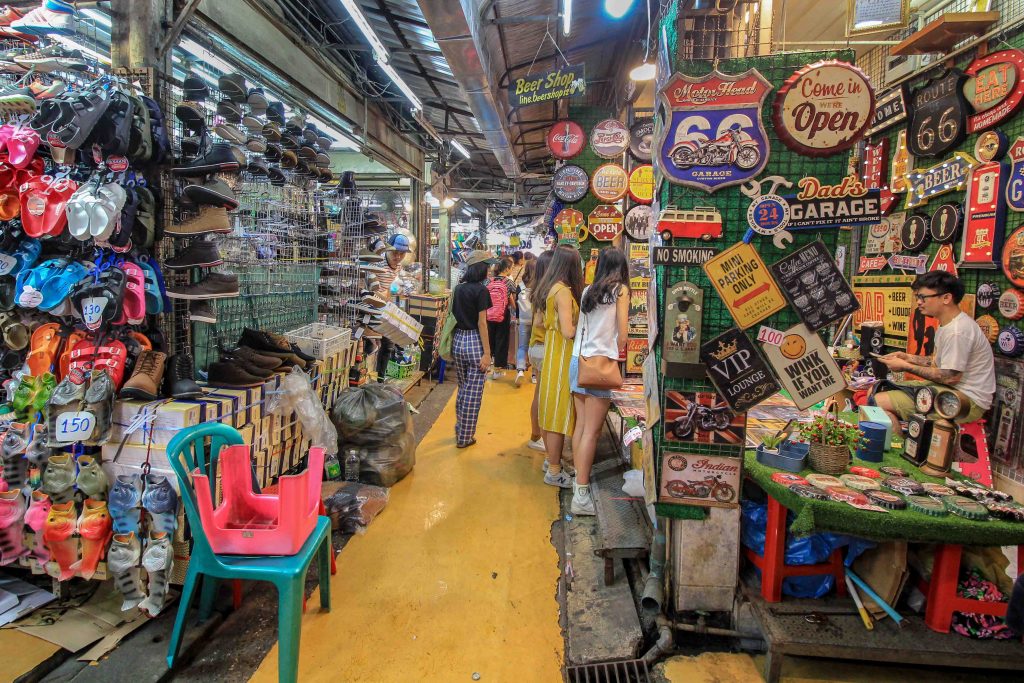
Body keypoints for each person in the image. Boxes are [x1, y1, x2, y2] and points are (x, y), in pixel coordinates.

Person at [874, 271, 996, 427]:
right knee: (877, 389)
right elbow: (938, 362)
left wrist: (906, 367)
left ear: (946, 298)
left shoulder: (957, 331)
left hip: (965, 401)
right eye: (918, 297)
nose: (918, 302)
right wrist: (908, 357)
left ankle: (903, 449)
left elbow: (950, 377)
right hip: (950, 390)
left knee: (877, 402)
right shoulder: (948, 324)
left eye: (923, 297)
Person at [569, 248, 629, 515]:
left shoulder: (587, 291)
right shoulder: (621, 291)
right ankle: (581, 496)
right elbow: (624, 334)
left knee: (581, 427)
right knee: (592, 432)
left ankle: (577, 485)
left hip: (578, 362)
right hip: (600, 365)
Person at [536, 245, 584, 488]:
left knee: (550, 411)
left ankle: (550, 461)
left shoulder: (551, 288)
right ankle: (554, 471)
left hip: (553, 355)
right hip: (562, 358)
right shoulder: (563, 292)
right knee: (557, 414)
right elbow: (568, 331)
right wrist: (586, 328)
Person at [450, 250, 497, 448]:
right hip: (474, 342)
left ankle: (460, 428)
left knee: (463, 388)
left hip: (458, 341)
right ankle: (465, 437)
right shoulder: (481, 291)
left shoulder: (458, 289)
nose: (489, 269)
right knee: (473, 393)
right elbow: (482, 324)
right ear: (481, 268)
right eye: (487, 266)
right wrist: (487, 353)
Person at [526, 251, 553, 450]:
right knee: (544, 396)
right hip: (543, 347)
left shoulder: (538, 289)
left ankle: (536, 436)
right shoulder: (549, 291)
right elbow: (539, 321)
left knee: (539, 394)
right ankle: (538, 438)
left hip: (536, 346)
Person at [374, 235, 409, 380]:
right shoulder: (378, 262)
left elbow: (386, 287)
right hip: (370, 307)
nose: (398, 256)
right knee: (371, 346)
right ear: (388, 249)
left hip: (383, 307)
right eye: (395, 252)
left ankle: (379, 380)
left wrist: (389, 302)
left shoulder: (399, 266)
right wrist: (386, 302)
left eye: (402, 253)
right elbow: (371, 288)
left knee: (388, 344)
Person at [486, 258, 516, 380]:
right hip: (503, 315)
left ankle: (487, 366)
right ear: (507, 269)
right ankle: (497, 371)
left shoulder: (489, 281)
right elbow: (513, 301)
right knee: (501, 341)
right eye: (511, 268)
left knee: (489, 340)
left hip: (489, 314)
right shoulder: (509, 283)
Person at [514, 257, 537, 387]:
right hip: (536, 321)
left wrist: (517, 318)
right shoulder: (540, 284)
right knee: (534, 346)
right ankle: (534, 374)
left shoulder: (520, 285)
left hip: (523, 320)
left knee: (522, 346)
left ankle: (520, 370)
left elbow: (517, 304)